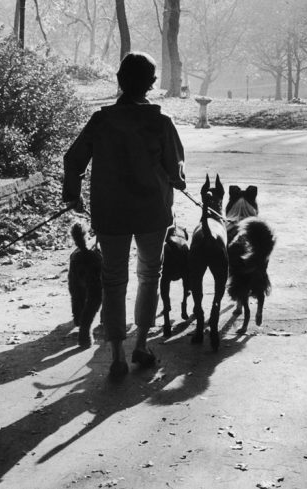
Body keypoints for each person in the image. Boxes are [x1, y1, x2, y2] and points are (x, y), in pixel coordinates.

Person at [63, 52, 187, 378]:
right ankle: (142, 345)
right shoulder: (162, 123)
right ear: (151, 84)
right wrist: (176, 180)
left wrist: (72, 196)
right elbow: (176, 172)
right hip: (152, 214)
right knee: (150, 275)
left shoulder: (100, 121)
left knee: (113, 280)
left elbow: (72, 160)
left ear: (119, 81)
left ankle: (117, 355)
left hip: (111, 213)